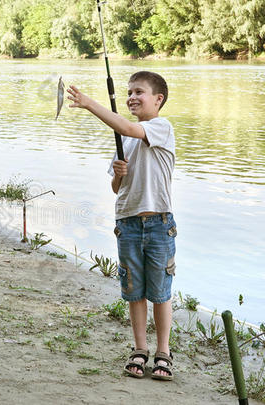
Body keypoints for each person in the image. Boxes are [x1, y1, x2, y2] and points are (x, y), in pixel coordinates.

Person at [67, 71, 176, 381]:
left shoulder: (160, 127)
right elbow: (118, 188)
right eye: (129, 91)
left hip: (159, 223)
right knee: (133, 290)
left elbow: (128, 126)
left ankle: (163, 352)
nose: (131, 97)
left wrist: (89, 103)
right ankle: (140, 348)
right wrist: (118, 172)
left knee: (160, 291)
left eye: (139, 92)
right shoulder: (124, 138)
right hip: (127, 223)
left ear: (158, 99)